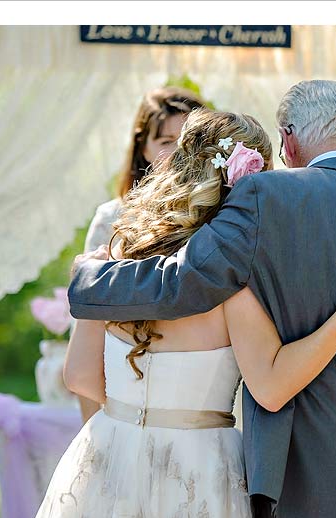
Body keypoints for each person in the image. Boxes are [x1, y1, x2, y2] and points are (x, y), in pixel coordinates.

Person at [68, 80, 336, 518]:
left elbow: (180, 283)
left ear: (288, 141)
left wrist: (91, 279)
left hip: (284, 480)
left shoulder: (264, 201)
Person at [77, 86, 206, 423]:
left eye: (187, 140)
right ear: (143, 149)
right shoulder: (111, 219)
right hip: (124, 386)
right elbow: (88, 325)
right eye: (165, 142)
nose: (178, 153)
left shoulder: (219, 218)